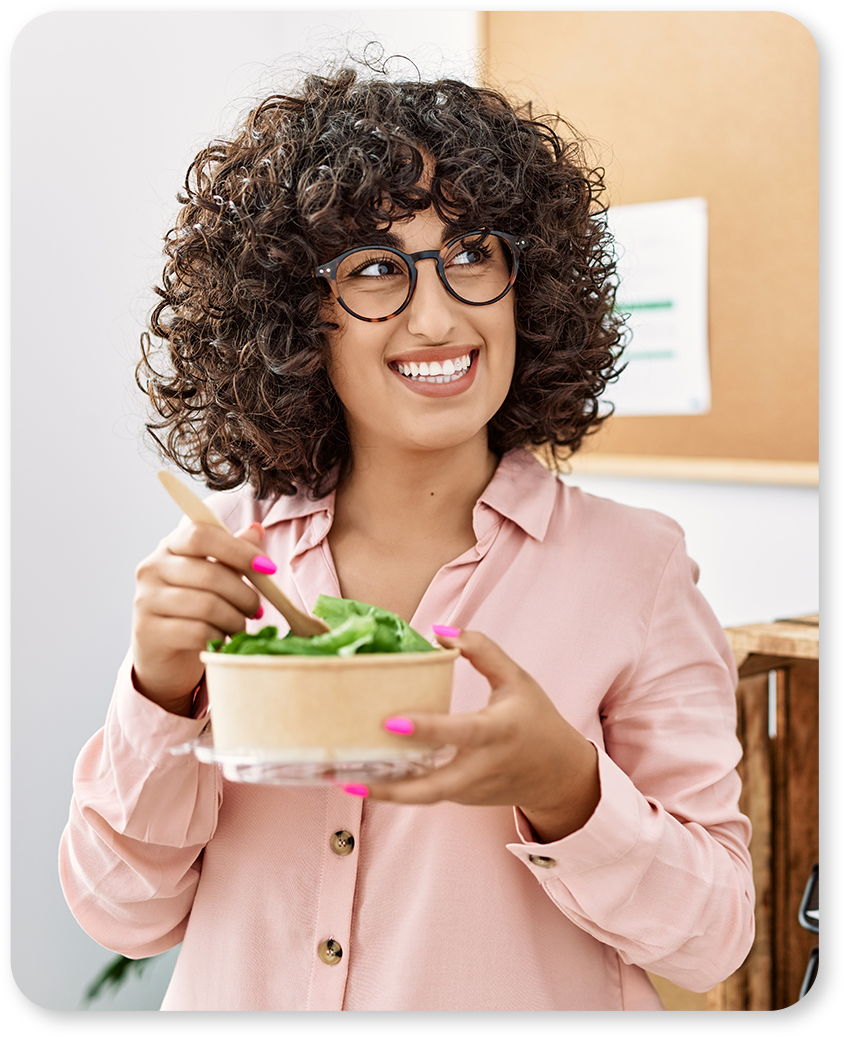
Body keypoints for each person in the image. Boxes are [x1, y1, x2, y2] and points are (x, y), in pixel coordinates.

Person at [59, 61, 755, 1011]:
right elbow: (120, 916)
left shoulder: (635, 567)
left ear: (527, 284)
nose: (438, 315)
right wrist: (159, 694)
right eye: (376, 269)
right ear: (299, 319)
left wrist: (567, 789)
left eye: (472, 253)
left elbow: (714, 940)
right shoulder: (223, 557)